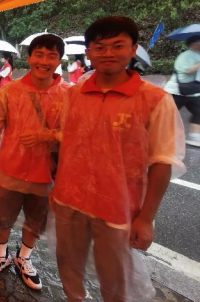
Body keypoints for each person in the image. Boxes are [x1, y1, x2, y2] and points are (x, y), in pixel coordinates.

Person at [52, 16, 186, 301]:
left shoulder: (154, 100)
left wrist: (146, 218)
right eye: (100, 47)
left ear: (133, 49)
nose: (108, 53)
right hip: (69, 200)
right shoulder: (74, 94)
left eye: (118, 45)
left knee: (114, 279)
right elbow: (67, 144)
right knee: (68, 266)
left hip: (118, 210)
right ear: (88, 52)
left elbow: (162, 162)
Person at [0, 34, 69, 290]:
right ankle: (0, 255)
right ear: (29, 58)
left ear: (59, 61)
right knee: (0, 216)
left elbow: (77, 133)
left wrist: (46, 135)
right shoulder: (11, 90)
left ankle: (24, 258)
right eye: (39, 54)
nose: (44, 61)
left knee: (36, 220)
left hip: (47, 174)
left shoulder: (69, 94)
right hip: (9, 169)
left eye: (51, 56)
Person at [164, 35, 200, 147]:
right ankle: (155, 134)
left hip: (192, 91)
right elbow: (187, 71)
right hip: (177, 91)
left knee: (199, 112)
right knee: (167, 114)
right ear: (195, 43)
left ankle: (195, 137)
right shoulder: (185, 56)